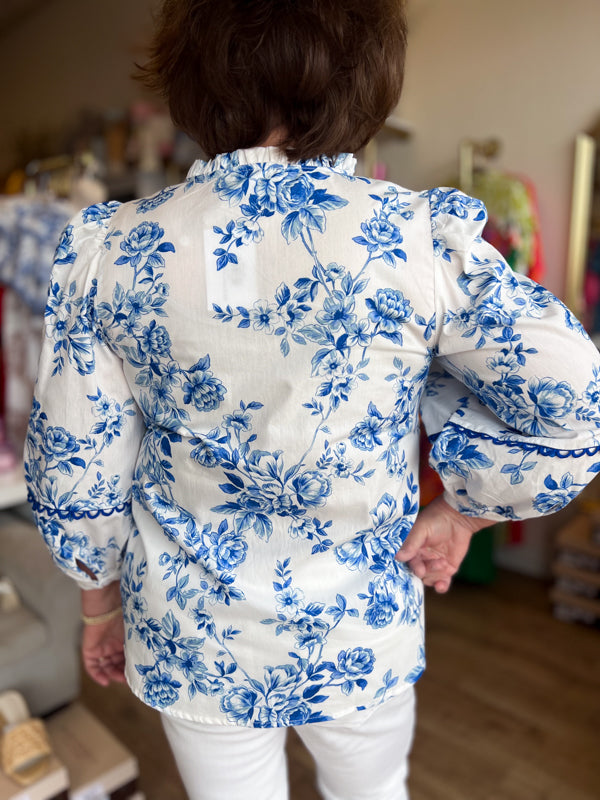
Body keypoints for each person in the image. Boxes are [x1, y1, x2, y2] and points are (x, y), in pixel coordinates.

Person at [24, 1, 600, 798]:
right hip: (360, 623)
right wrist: (465, 510)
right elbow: (576, 396)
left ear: (191, 83)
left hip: (195, 633)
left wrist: (97, 603)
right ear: (369, 84)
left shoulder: (113, 251)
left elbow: (77, 463)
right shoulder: (415, 244)